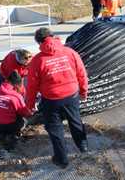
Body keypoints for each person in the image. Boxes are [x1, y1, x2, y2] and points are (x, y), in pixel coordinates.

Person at [26, 27, 88, 168]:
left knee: (55, 129)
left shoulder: (37, 61)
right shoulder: (70, 52)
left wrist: (30, 104)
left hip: (51, 99)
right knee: (75, 120)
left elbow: (31, 86)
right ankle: (83, 145)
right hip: (72, 95)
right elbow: (82, 74)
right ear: (53, 36)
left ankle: (62, 159)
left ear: (39, 42)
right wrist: (83, 92)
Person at [0, 71, 33, 149]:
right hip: (8, 126)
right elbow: (24, 113)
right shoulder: (16, 96)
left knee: (3, 112)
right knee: (23, 120)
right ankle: (11, 135)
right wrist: (31, 111)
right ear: (17, 85)